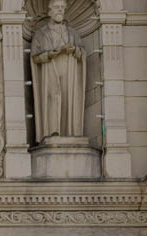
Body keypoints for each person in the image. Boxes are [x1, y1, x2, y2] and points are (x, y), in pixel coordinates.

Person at [30, 0, 85, 142]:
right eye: (56, 7)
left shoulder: (72, 33)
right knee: (52, 98)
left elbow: (82, 53)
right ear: (49, 11)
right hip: (50, 69)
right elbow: (34, 57)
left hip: (69, 69)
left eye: (62, 7)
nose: (60, 10)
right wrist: (49, 54)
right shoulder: (41, 34)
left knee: (68, 98)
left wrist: (74, 50)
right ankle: (52, 131)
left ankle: (69, 132)